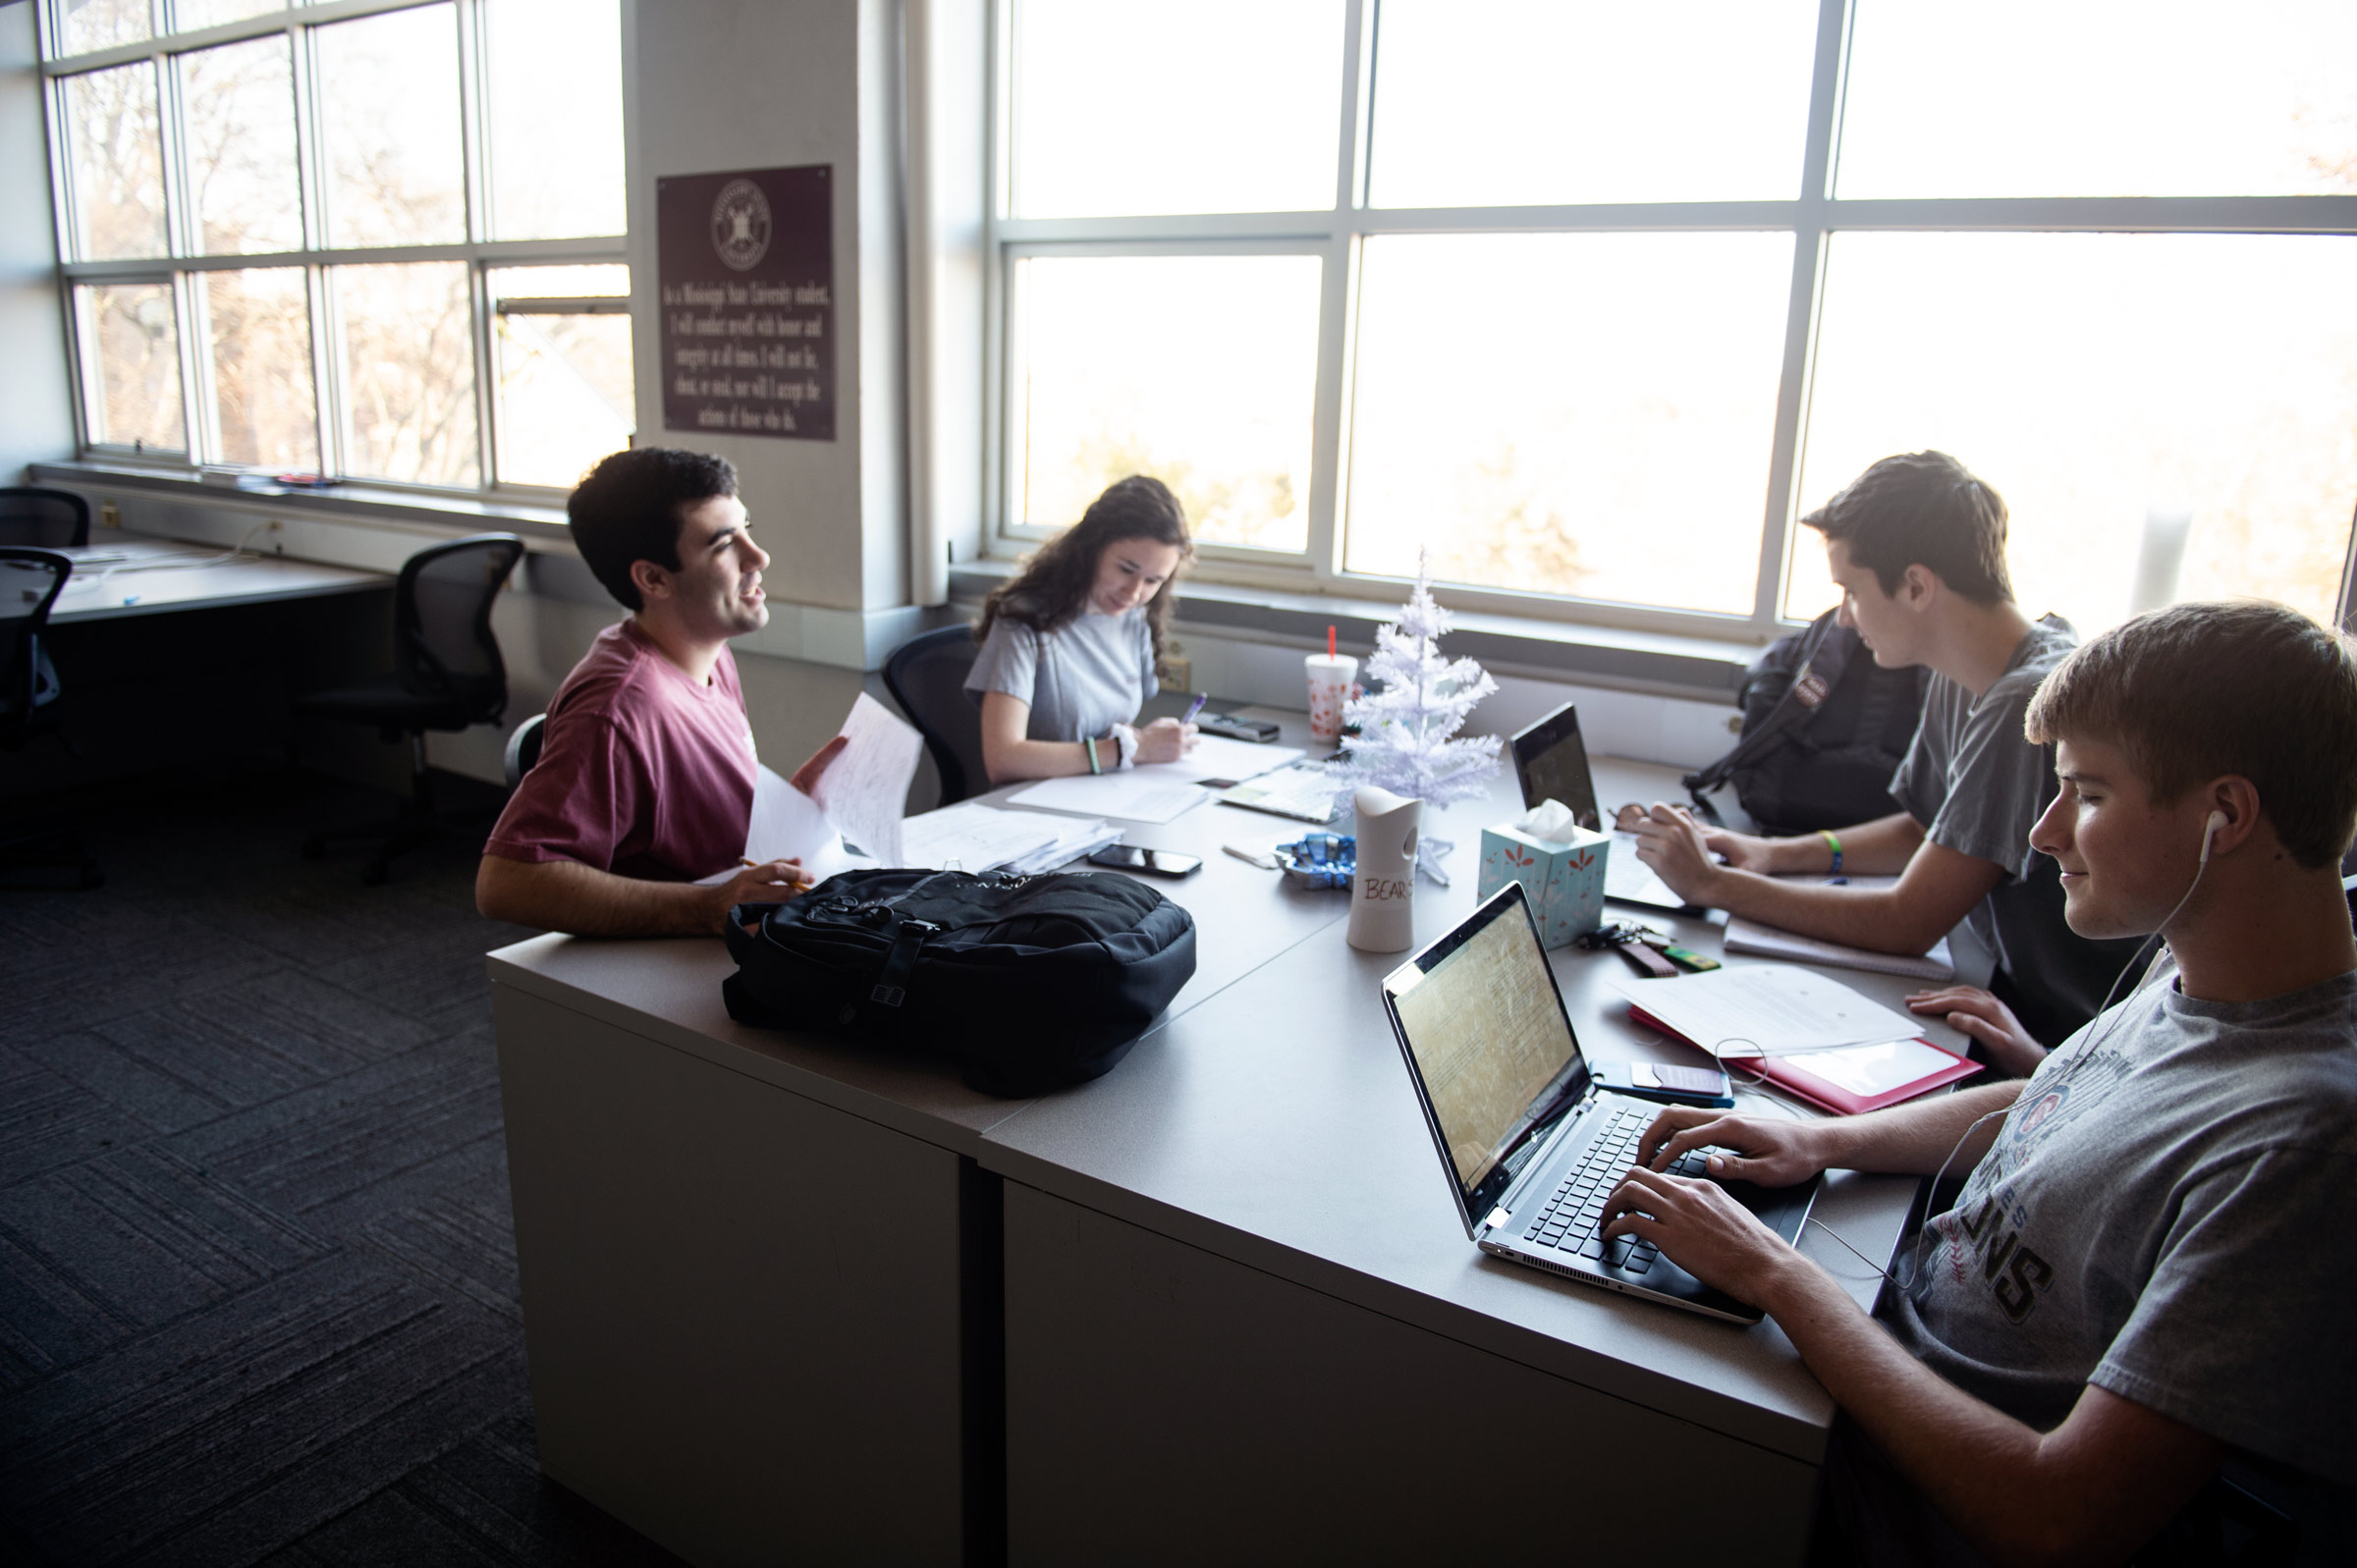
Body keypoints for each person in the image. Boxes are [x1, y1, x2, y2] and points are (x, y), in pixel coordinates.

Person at [1605, 600, 2357, 1566]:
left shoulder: (2303, 1146)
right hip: (1874, 1346)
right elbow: (2082, 1101)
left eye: (2086, 793)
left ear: (2227, 817)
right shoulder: (2204, 960)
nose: (2043, 833)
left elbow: (2056, 1516)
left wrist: (1776, 1277)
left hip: (1895, 1498)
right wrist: (1827, 1142)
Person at [1623, 452, 2139, 1071]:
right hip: (2022, 1001)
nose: (1843, 616)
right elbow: (1927, 825)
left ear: (1917, 585)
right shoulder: (1964, 672)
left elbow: (1908, 922)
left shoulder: (2021, 703)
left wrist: (1714, 885)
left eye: (1851, 589)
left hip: (2077, 1038)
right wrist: (1771, 855)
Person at [476, 447, 845, 937]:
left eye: (747, 530)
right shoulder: (616, 708)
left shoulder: (706, 649)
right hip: (674, 963)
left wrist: (787, 811)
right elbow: (506, 883)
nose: (758, 557)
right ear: (652, 578)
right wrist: (706, 908)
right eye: (722, 544)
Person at [966, 474, 1199, 784]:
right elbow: (1003, 760)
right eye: (1126, 570)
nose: (1133, 592)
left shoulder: (1134, 618)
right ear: (1092, 550)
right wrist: (1132, 749)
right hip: (1035, 807)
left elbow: (1112, 734)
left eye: (1153, 581)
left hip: (1099, 793)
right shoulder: (1024, 621)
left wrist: (1143, 743)